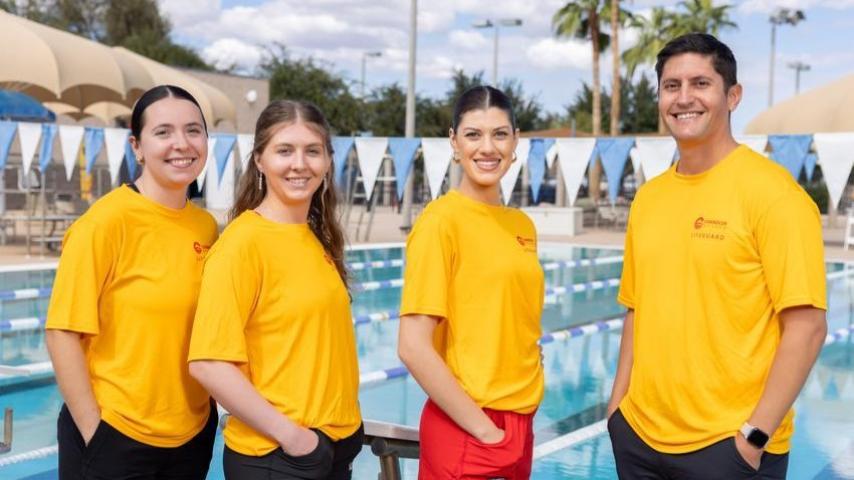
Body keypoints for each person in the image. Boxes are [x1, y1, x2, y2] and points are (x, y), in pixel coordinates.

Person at [606, 33, 827, 479]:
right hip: (639, 438)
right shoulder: (649, 198)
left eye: (700, 83)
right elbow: (636, 309)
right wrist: (617, 410)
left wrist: (754, 437)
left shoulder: (774, 195)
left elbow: (807, 327)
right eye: (672, 86)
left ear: (732, 96)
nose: (684, 98)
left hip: (729, 450)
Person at [45, 84, 219, 479]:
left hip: (190, 436)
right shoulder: (105, 223)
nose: (182, 143)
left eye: (193, 130)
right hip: (115, 434)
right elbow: (62, 333)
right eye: (164, 132)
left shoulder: (205, 227)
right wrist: (96, 431)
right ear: (137, 146)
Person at [188, 100, 363, 480]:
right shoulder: (243, 244)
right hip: (279, 457)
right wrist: (296, 440)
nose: (300, 164)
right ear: (260, 161)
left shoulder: (315, 237)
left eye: (312, 151)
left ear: (328, 161)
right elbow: (209, 363)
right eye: (284, 150)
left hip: (330, 447)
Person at [398, 85, 545, 479]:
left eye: (500, 134)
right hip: (468, 426)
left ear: (516, 142)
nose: (488, 147)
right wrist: (483, 429)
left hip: (519, 420)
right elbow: (413, 346)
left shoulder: (521, 225)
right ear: (454, 142)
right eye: (473, 134)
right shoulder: (440, 223)